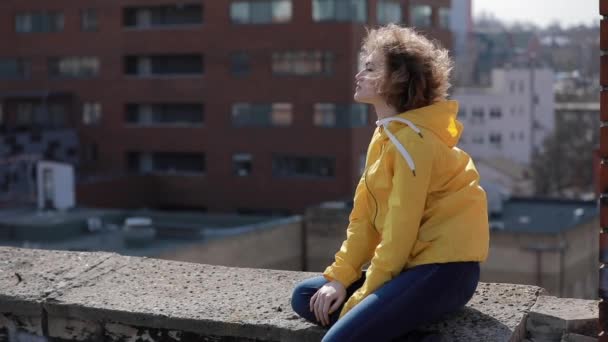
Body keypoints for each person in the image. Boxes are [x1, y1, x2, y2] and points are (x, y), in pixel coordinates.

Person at [290, 24, 490, 342]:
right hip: (411, 264)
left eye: (370, 68)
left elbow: (399, 232)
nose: (358, 75)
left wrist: (359, 299)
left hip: (446, 270)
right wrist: (340, 279)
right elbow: (364, 219)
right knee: (307, 296)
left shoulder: (414, 142)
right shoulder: (386, 134)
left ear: (397, 78)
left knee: (337, 339)